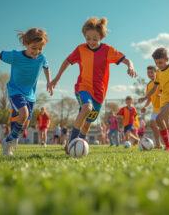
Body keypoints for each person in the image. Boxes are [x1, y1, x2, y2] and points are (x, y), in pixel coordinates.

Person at [49, 17, 136, 153]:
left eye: (95, 39)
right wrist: (56, 78)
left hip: (99, 94)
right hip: (82, 87)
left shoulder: (107, 50)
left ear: (101, 37)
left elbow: (126, 59)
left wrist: (130, 66)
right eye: (88, 38)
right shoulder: (80, 49)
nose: (91, 42)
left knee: (88, 123)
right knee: (86, 107)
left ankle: (80, 144)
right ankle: (71, 143)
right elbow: (67, 61)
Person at [0, 28, 53, 156]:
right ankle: (8, 140)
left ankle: (14, 136)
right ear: (26, 43)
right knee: (23, 113)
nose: (37, 52)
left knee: (25, 124)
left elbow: (46, 67)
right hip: (15, 90)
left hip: (30, 94)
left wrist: (49, 81)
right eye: (33, 48)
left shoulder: (41, 58)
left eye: (40, 48)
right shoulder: (16, 56)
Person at [139, 48, 169, 152]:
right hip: (164, 100)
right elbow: (154, 88)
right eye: (156, 63)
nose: (159, 65)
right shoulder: (158, 72)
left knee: (158, 119)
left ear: (167, 59)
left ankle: (168, 146)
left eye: (161, 62)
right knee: (168, 124)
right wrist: (145, 97)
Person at [141, 65, 162, 149]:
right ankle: (158, 144)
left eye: (151, 72)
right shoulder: (148, 85)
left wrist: (162, 94)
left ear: (155, 72)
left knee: (164, 125)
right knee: (153, 125)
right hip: (155, 108)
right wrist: (145, 106)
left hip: (163, 107)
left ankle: (165, 143)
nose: (150, 74)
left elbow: (164, 91)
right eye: (148, 73)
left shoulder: (160, 81)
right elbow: (149, 98)